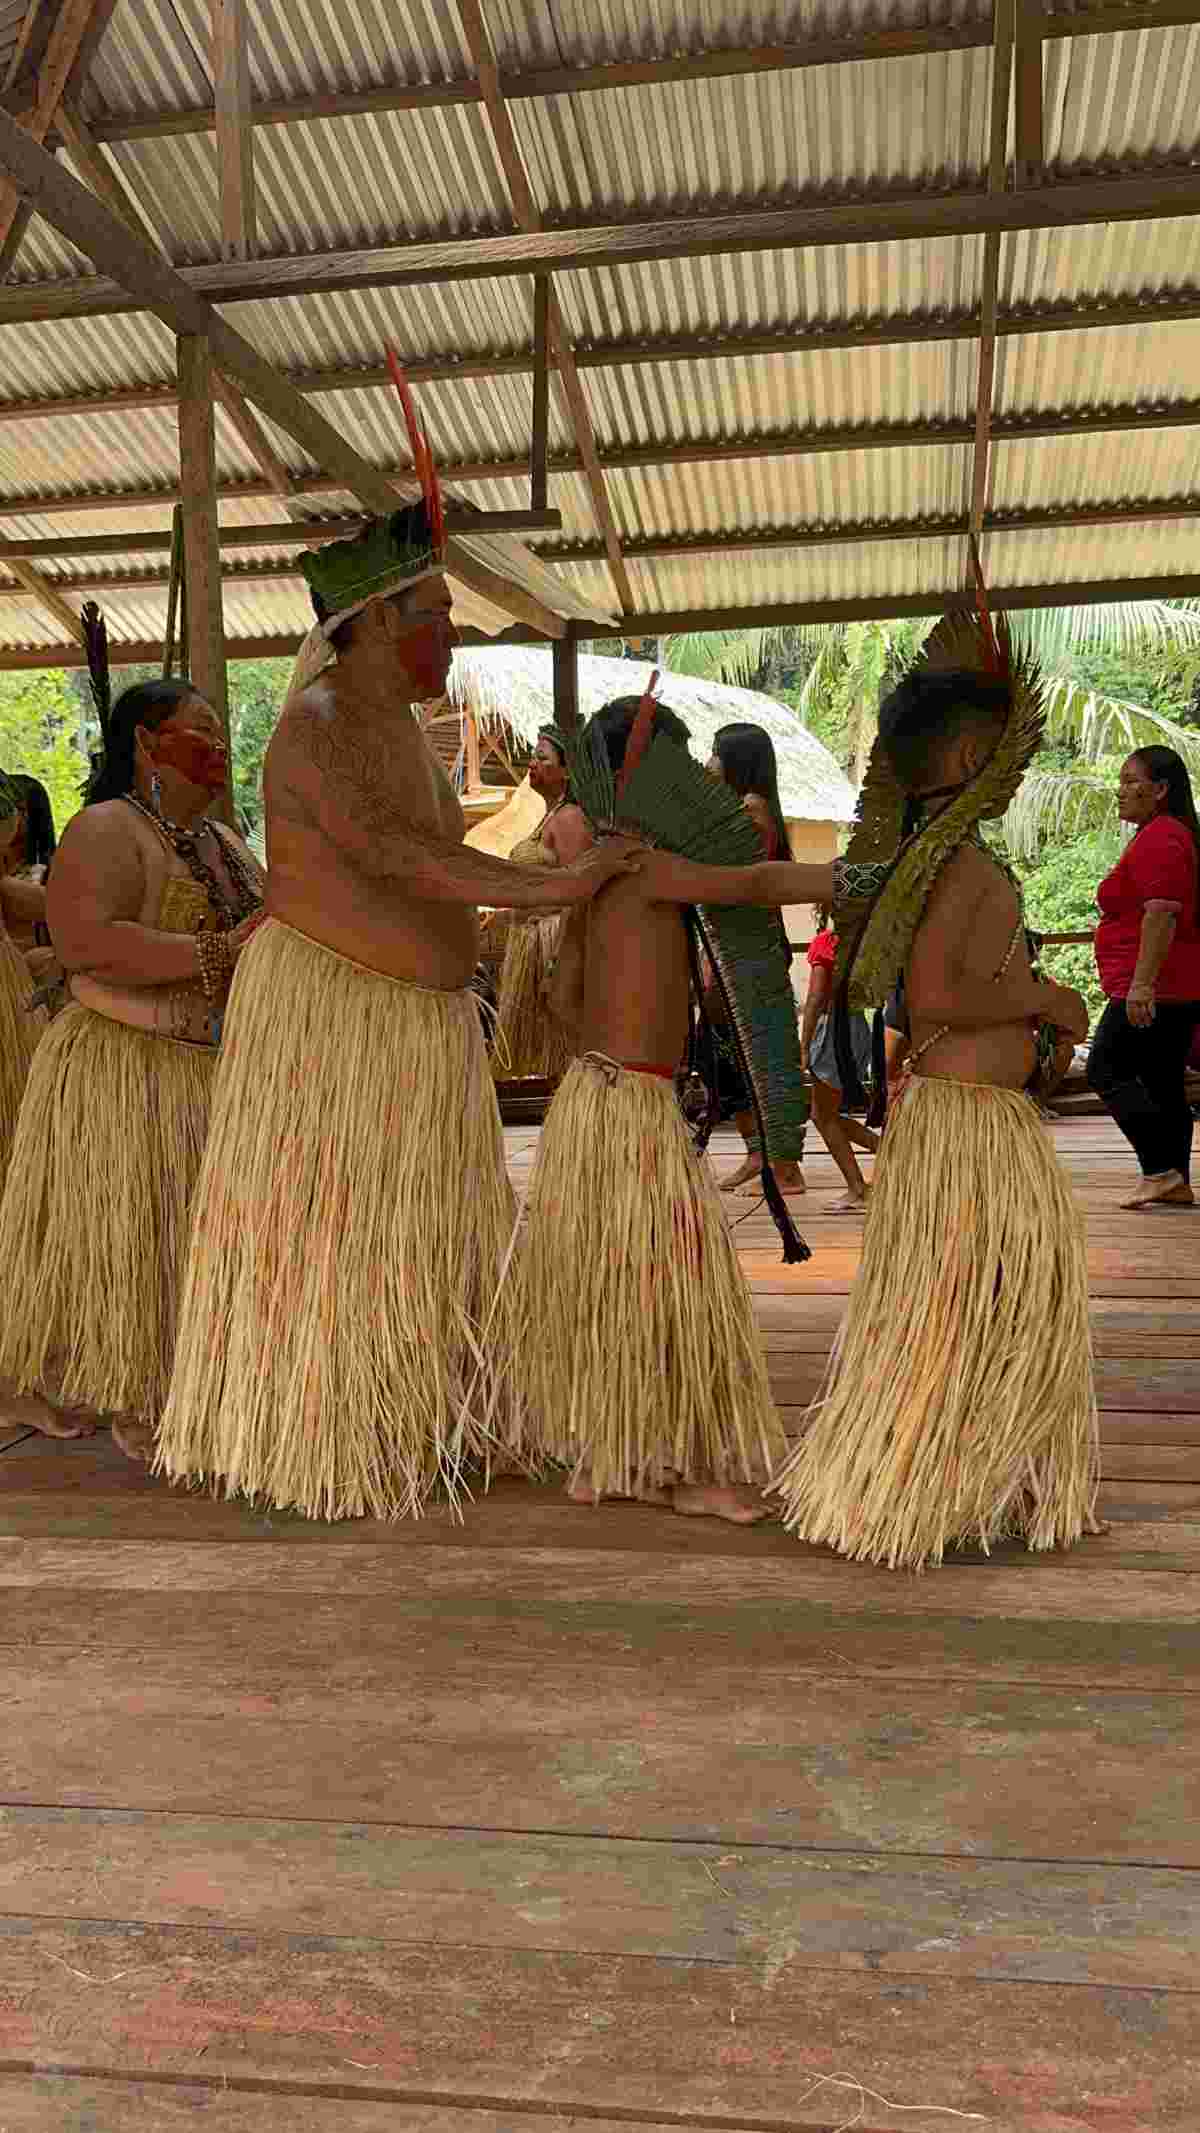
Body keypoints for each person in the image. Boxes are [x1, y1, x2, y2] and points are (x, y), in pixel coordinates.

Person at [155, 503, 636, 1523]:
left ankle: (422, 1417)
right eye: (434, 612)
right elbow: (394, 855)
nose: (451, 632)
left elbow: (426, 860)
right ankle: (328, 1435)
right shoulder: (318, 726)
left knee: (426, 1236)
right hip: (337, 1022)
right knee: (339, 1235)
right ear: (371, 623)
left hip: (414, 1026)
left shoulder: (401, 728)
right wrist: (559, 888)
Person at [773, 604, 1102, 1570]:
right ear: (968, 752)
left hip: (967, 1122)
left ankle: (956, 1474)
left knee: (980, 1306)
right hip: (964, 1123)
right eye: (1003, 745)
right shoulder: (953, 862)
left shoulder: (940, 857)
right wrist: (1047, 996)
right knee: (968, 1305)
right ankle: (926, 1480)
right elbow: (933, 996)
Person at [509, 689, 830, 1524]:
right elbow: (754, 879)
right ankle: (684, 1468)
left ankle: (607, 1458)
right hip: (631, 1108)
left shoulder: (595, 872)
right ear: (642, 775)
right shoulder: (641, 866)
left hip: (594, 1100)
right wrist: (852, 877)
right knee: (672, 1281)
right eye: (679, 766)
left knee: (619, 1284)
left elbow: (567, 994)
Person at [0, 679, 264, 1459]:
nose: (216, 745)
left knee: (198, 1238)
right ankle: (140, 1391)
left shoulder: (221, 840)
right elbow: (84, 941)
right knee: (144, 1242)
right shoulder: (107, 827)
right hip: (125, 1069)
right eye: (199, 730)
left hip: (206, 1067)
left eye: (219, 730)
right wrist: (217, 953)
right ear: (147, 744)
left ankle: (200, 1379)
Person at [1087, 747, 1200, 1209]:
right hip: (1176, 980)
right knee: (1161, 1079)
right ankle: (1176, 1181)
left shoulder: (1163, 838)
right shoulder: (1166, 834)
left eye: (1132, 780)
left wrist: (1142, 984)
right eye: (1121, 779)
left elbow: (1162, 914)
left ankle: (1159, 1168)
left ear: (1160, 790)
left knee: (1106, 1068)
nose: (1122, 789)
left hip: (1159, 983)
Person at [704, 722, 805, 1194]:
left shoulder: (751, 812)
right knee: (731, 1054)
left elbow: (738, 880)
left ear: (737, 763)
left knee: (764, 1053)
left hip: (755, 949)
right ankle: (758, 1153)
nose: (708, 764)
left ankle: (784, 1166)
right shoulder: (738, 810)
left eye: (715, 755)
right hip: (737, 949)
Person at [490, 725, 593, 1080]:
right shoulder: (548, 816)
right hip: (529, 945)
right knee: (543, 1056)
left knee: (559, 1051)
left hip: (549, 943)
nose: (531, 763)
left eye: (542, 757)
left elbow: (578, 892)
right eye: (532, 756)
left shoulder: (569, 819)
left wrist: (560, 961)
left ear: (566, 771)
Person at [800, 913, 878, 1211]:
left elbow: (817, 996)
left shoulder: (827, 942)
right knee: (827, 1113)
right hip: (858, 1027)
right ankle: (885, 1152)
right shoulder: (867, 943)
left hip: (834, 1028)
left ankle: (859, 1188)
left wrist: (804, 1045)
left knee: (822, 1115)